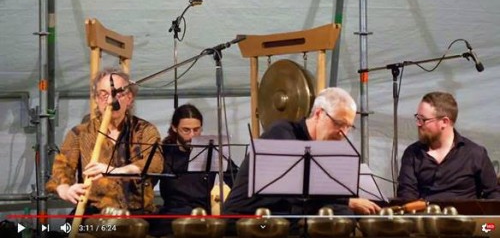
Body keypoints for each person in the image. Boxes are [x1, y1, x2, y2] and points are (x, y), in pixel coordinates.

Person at [223, 87, 381, 218]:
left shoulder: (322, 147)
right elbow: (296, 192)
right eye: (339, 124)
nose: (343, 133)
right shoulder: (282, 133)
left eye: (349, 127)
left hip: (281, 216)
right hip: (246, 218)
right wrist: (347, 201)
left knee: (342, 214)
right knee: (339, 212)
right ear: (319, 114)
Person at [46, 68, 163, 216]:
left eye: (118, 94)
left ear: (130, 98)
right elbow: (60, 171)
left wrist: (115, 172)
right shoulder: (80, 133)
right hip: (96, 212)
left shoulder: (145, 130)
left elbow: (155, 164)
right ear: (95, 98)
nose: (110, 101)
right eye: (103, 94)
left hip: (139, 212)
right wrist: (65, 190)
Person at [153, 104, 238, 236]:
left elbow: (236, 178)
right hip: (172, 214)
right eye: (186, 130)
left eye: (196, 130)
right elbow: (148, 182)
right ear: (175, 128)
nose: (192, 135)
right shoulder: (164, 152)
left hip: (204, 213)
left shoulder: (211, 150)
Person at [397, 91, 500, 201]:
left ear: (444, 122)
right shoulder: (412, 153)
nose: (418, 123)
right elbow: (406, 194)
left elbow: (494, 195)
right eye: (417, 118)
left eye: (423, 119)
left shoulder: (475, 154)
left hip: (465, 217)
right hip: (424, 216)